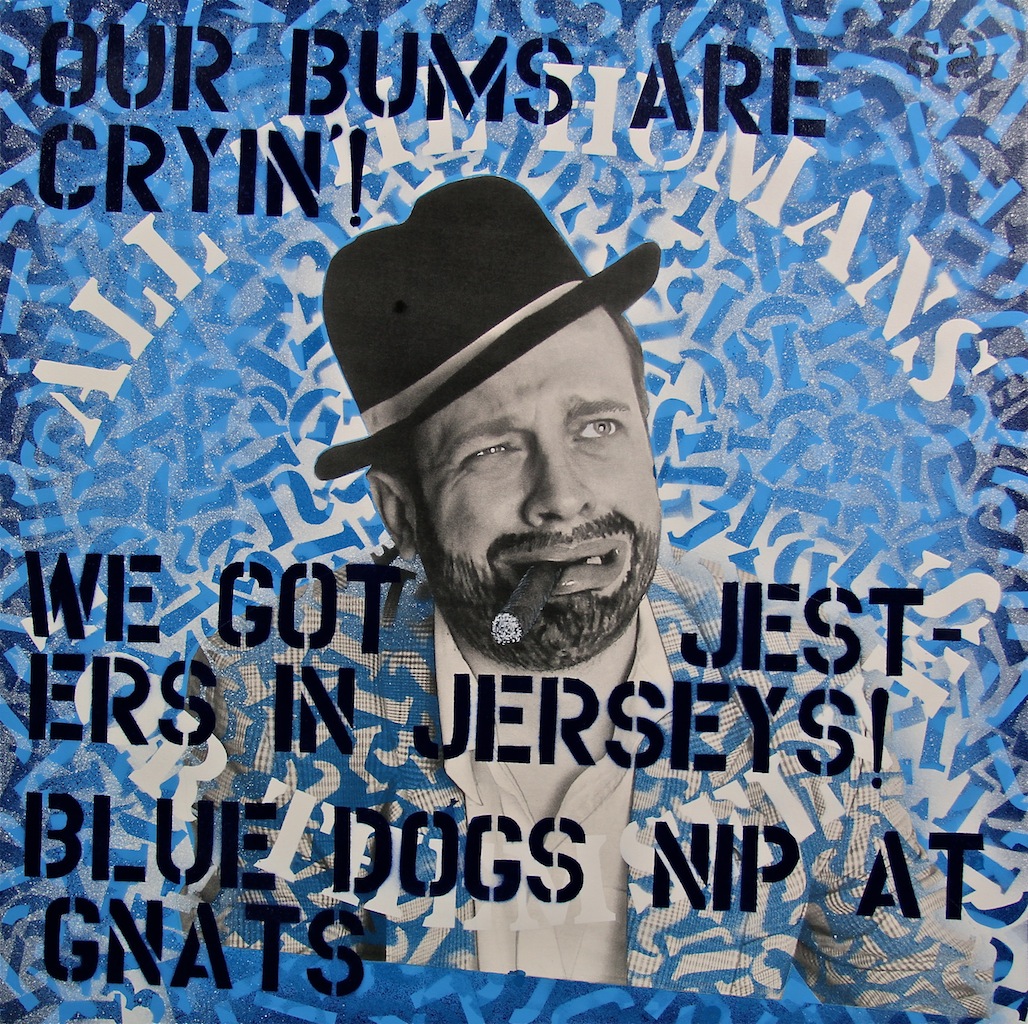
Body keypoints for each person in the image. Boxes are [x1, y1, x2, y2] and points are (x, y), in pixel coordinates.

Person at [202, 176, 986, 1012]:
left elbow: (923, 989)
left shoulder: (796, 682)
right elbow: (239, 995)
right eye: (492, 451)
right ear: (403, 512)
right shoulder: (272, 687)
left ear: (648, 432)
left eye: (598, 427)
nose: (565, 498)